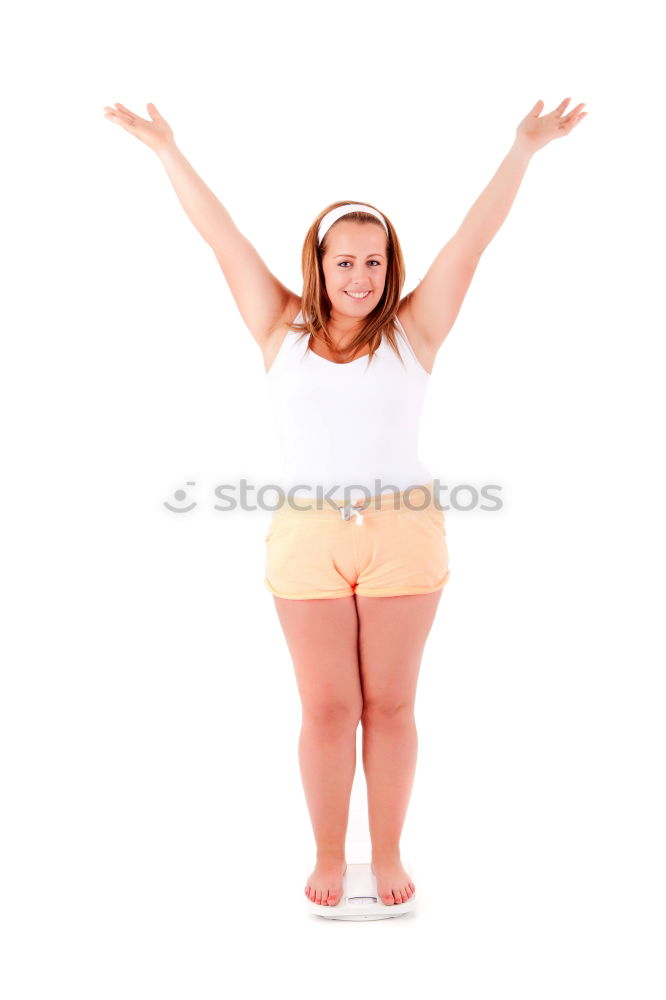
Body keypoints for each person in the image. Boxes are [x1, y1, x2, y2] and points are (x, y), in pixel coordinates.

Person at [103, 97, 587, 908]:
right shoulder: (278, 328)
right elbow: (220, 237)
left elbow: (472, 241)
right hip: (306, 535)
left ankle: (389, 851)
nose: (359, 276)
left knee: (390, 706)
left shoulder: (414, 332)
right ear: (317, 266)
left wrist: (522, 151)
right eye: (343, 261)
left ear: (389, 268)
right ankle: (330, 854)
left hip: (402, 534)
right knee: (328, 709)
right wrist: (167, 151)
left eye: (373, 261)